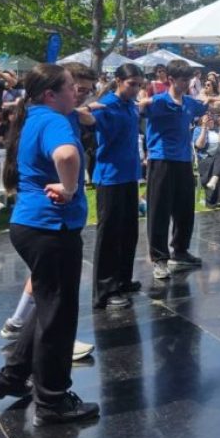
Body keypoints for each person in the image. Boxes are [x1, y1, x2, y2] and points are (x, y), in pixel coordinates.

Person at [0, 64, 99, 426]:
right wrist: (69, 188)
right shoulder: (54, 121)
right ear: (51, 94)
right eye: (71, 87)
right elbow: (66, 156)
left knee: (48, 304)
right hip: (51, 228)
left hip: (31, 226)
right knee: (58, 316)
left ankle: (12, 376)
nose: (76, 92)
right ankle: (52, 401)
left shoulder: (33, 116)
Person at [138, 60, 208, 279]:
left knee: (185, 208)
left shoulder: (189, 102)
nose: (187, 84)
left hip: (183, 160)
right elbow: (140, 107)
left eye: (189, 80)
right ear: (171, 79)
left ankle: (180, 251)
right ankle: (159, 259)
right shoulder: (159, 102)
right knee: (159, 210)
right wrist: (142, 101)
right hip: (161, 160)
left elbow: (209, 104)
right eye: (183, 80)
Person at [90, 63, 145, 309]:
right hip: (110, 176)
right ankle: (105, 289)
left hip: (129, 174)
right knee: (109, 235)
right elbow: (92, 124)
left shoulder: (132, 106)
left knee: (128, 231)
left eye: (139, 85)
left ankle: (123, 279)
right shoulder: (106, 105)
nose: (135, 89)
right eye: (131, 84)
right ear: (119, 81)